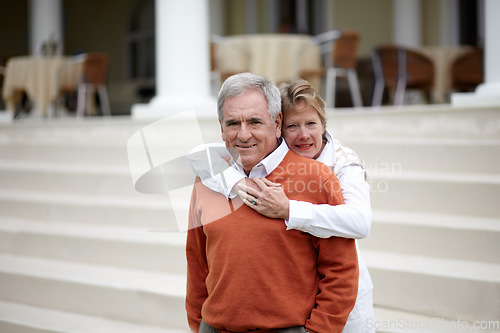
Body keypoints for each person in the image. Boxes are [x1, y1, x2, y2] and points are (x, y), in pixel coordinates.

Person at [187, 78, 374, 333]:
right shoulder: (210, 175)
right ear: (221, 128)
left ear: (275, 124)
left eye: (255, 121)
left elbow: (344, 263)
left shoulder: (331, 172)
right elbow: (197, 262)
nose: (243, 134)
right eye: (233, 123)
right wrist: (198, 325)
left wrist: (289, 210)